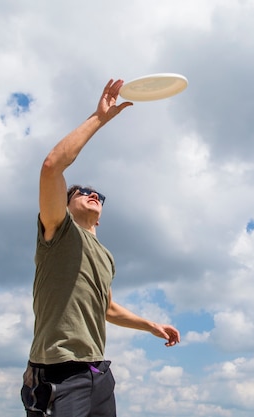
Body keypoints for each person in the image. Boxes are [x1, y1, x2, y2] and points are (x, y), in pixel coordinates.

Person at [21, 78, 181, 417]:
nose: (93, 195)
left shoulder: (106, 257)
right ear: (63, 206)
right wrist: (100, 118)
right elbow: (51, 167)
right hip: (57, 374)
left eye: (99, 196)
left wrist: (151, 325)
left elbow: (107, 308)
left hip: (98, 373)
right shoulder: (57, 231)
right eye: (82, 192)